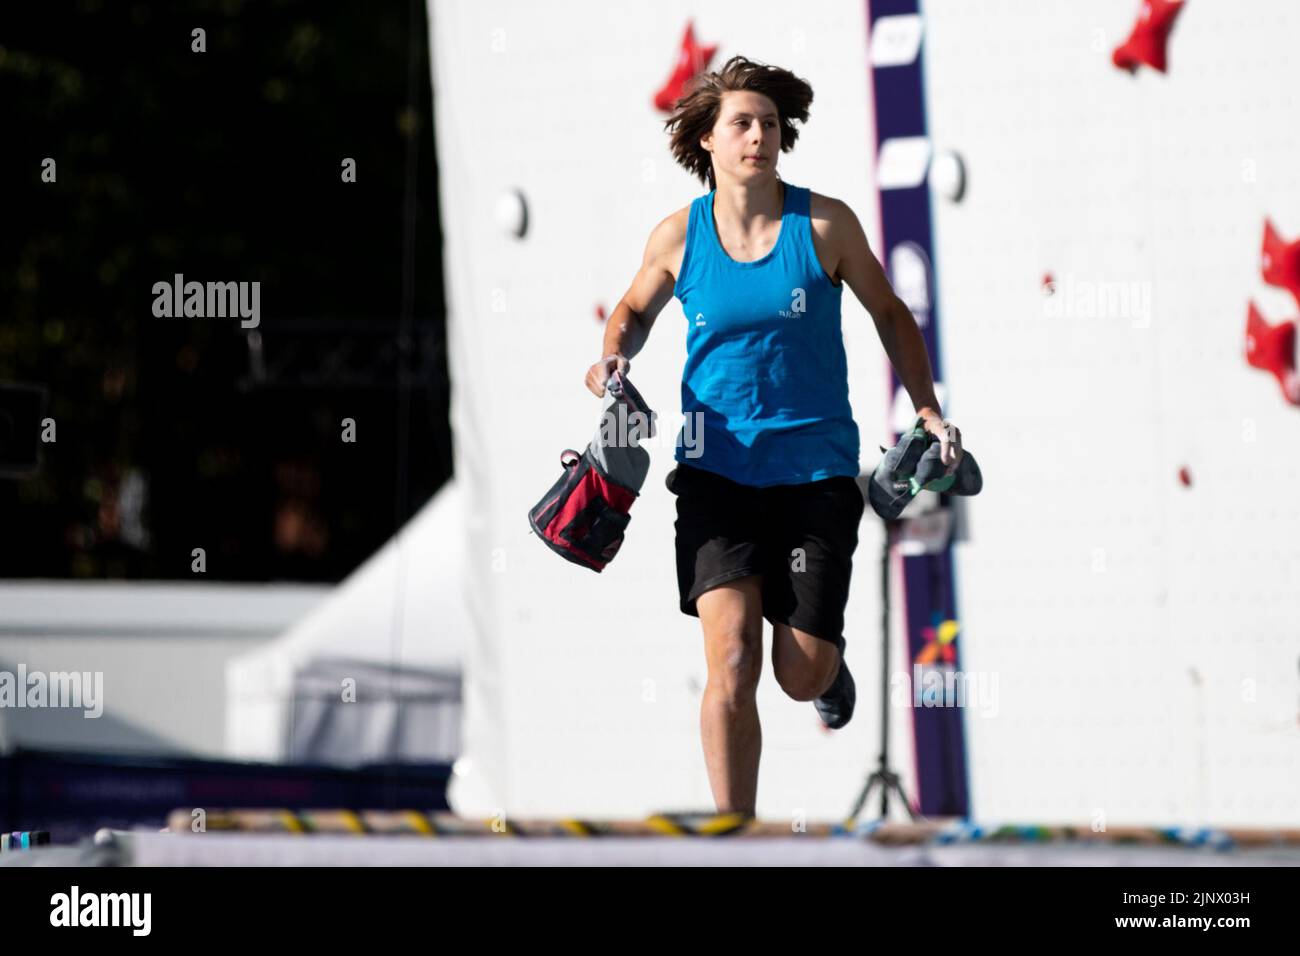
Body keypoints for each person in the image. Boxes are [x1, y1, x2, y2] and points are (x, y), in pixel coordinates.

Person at [582, 55, 963, 816]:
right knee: (731, 659)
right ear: (710, 144)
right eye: (742, 124)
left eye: (769, 125)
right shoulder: (677, 237)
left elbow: (891, 314)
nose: (759, 135)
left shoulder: (824, 225)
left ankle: (832, 672)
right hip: (716, 475)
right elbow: (629, 312)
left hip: (815, 476)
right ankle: (735, 834)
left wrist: (926, 408)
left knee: (798, 672)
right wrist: (612, 358)